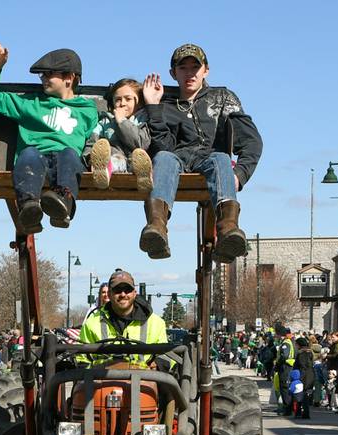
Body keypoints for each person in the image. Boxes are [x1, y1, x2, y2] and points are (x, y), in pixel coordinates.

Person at [140, 43, 262, 261]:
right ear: (173, 73)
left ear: (205, 70)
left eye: (195, 67)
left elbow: (252, 140)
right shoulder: (166, 104)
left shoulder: (223, 98)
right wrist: (154, 108)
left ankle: (228, 230)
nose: (189, 73)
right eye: (183, 68)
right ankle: (157, 228)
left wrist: (241, 173)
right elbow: (162, 146)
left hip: (211, 161)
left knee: (220, 158)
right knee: (164, 157)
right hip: (176, 161)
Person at [0, 42, 98, 233]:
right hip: (35, 163)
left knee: (69, 154)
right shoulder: (29, 103)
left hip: (66, 165)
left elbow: (95, 136)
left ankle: (63, 204)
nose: (43, 79)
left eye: (49, 74)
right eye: (42, 75)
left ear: (69, 77)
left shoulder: (87, 110)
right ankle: (29, 207)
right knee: (29, 154)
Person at [78, 269, 168, 367]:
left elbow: (166, 356)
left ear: (134, 293)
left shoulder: (156, 323)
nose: (123, 294)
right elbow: (81, 359)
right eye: (117, 290)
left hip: (144, 379)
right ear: (109, 294)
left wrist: (157, 366)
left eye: (127, 290)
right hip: (101, 379)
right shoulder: (92, 323)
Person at [85, 78, 152, 190]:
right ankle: (103, 171)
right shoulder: (105, 122)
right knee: (114, 159)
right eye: (118, 100)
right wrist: (90, 158)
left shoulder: (142, 120)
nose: (122, 103)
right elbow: (92, 143)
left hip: (134, 159)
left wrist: (122, 122)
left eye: (128, 99)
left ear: (139, 103)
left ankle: (144, 176)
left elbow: (141, 143)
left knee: (137, 158)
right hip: (115, 159)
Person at [293, 336, 315, 419]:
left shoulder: (301, 353)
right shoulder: (310, 352)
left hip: (303, 375)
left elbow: (302, 365)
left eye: (296, 344)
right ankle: (301, 412)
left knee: (300, 394)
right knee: (304, 394)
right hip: (310, 374)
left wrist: (297, 376)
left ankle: (303, 412)